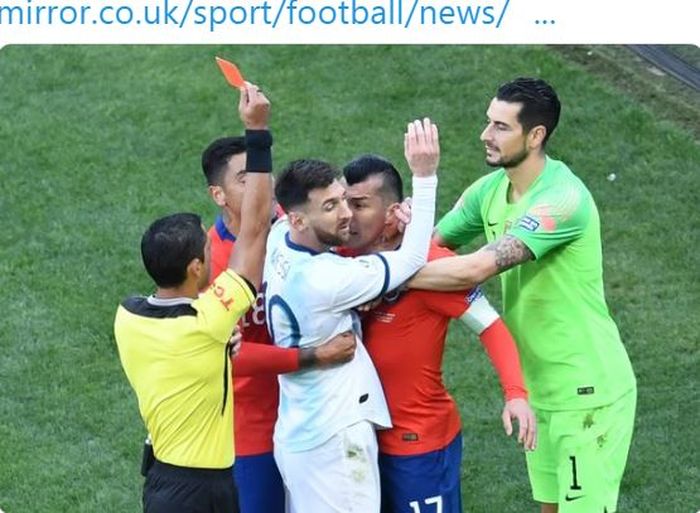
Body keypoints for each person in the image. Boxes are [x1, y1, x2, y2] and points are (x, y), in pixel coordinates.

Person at [409, 77, 637, 513]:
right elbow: (429, 247)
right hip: (537, 391)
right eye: (487, 122)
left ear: (536, 136)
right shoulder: (488, 190)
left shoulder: (563, 200)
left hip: (586, 390)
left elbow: (475, 268)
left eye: (500, 127)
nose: (485, 135)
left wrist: (387, 278)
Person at [341, 154, 536, 513]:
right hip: (360, 442)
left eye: (359, 205)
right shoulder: (342, 256)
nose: (347, 215)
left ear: (392, 212)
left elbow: (491, 326)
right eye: (343, 203)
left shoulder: (435, 264)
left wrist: (516, 394)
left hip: (418, 444)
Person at [263, 118, 440, 512]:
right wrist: (424, 178)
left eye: (344, 199)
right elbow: (411, 259)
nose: (347, 214)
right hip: (335, 442)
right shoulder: (327, 277)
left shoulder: (279, 240)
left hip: (296, 432)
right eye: (331, 207)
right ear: (298, 219)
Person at [114, 83, 273, 513]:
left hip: (165, 482)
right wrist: (257, 133)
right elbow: (255, 229)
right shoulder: (208, 321)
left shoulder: (127, 316)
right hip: (200, 492)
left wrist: (221, 347)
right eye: (205, 249)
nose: (212, 245)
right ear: (196, 269)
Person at [200, 136, 357, 513]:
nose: (261, 186)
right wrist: (313, 356)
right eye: (245, 179)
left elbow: (355, 256)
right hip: (254, 428)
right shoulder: (210, 262)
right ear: (218, 194)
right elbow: (225, 354)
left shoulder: (297, 229)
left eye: (262, 175)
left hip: (321, 410)